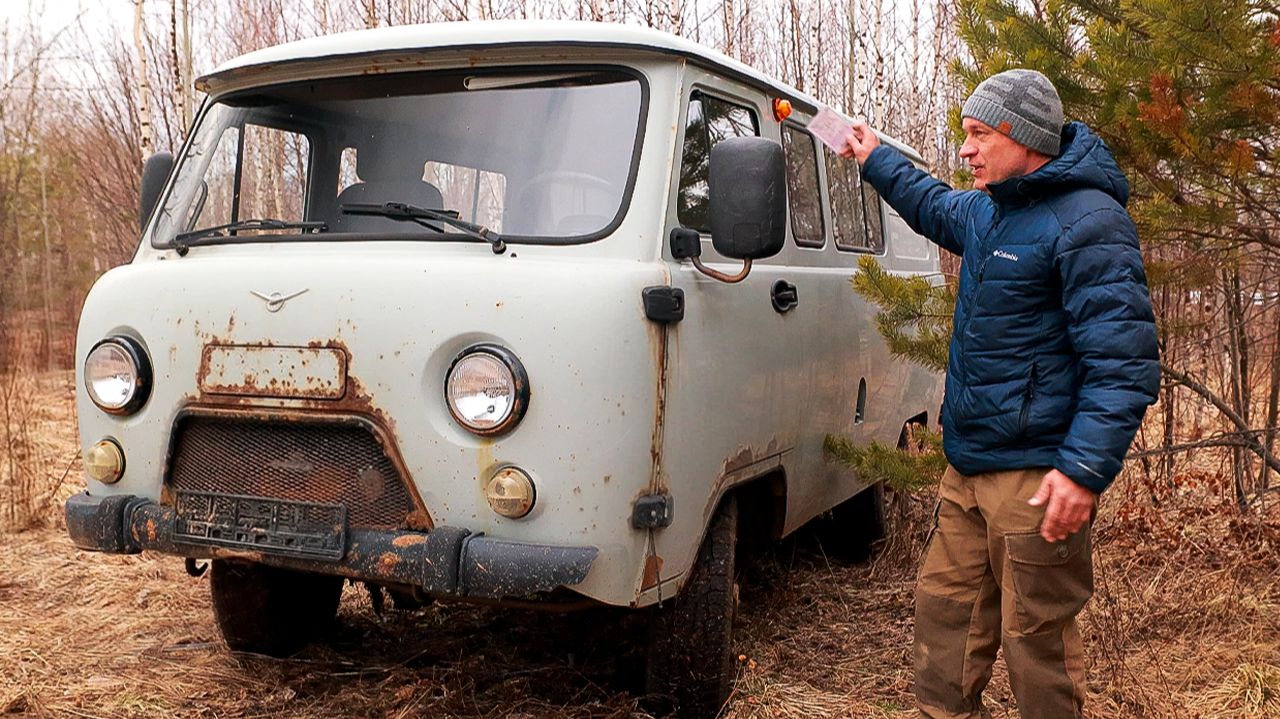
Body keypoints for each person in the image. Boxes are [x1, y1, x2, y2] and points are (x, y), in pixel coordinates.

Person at [840, 69, 1161, 719]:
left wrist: (1082, 470)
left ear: (1026, 137)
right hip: (968, 465)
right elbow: (931, 202)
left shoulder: (1090, 222)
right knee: (945, 619)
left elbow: (1122, 365)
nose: (966, 149)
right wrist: (873, 156)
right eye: (966, 134)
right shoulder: (990, 211)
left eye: (979, 134)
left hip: (1036, 477)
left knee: (1035, 643)